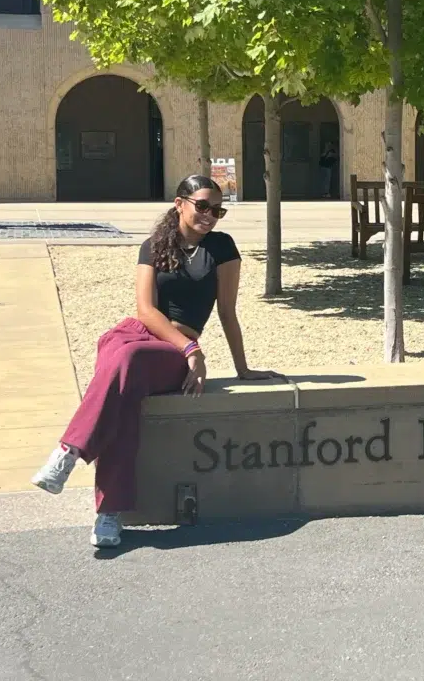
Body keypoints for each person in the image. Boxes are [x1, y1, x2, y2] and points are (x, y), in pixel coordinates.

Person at [31, 174, 280, 547]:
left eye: (217, 210)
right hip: (139, 336)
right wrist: (192, 351)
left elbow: (227, 311)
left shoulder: (223, 248)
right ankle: (107, 514)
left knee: (125, 362)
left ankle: (69, 454)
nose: (210, 215)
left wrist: (239, 368)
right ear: (179, 203)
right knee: (121, 388)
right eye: (203, 206)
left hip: (171, 351)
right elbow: (145, 310)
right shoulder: (153, 246)